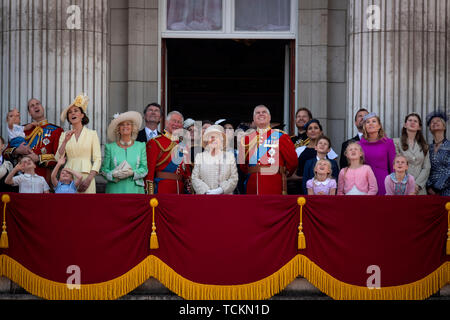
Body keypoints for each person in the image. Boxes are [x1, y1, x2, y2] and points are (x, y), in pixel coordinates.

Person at [239, 105, 298, 195]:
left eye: (264, 112)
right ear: (254, 119)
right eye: (257, 113)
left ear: (269, 117)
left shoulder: (281, 137)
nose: (261, 114)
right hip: (252, 184)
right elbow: (242, 166)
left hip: (274, 184)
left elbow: (292, 162)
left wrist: (283, 173)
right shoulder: (246, 139)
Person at [3, 98, 64, 184]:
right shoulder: (22, 129)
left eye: (37, 104)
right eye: (32, 106)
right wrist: (16, 150)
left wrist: (39, 158)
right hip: (21, 180)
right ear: (29, 113)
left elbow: (59, 157)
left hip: (44, 180)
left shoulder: (56, 130)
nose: (35, 106)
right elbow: (5, 152)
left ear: (42, 108)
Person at [56, 93, 102, 194]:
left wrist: (89, 179)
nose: (73, 114)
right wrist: (65, 141)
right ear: (68, 118)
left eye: (76, 111)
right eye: (70, 112)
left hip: (87, 175)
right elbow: (58, 158)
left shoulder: (92, 134)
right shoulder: (64, 135)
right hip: (68, 177)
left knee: (87, 207)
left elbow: (97, 159)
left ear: (82, 115)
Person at [101, 111, 148, 194]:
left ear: (133, 127)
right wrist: (113, 174)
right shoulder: (110, 147)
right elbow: (104, 170)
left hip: (135, 190)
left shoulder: (140, 146)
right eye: (122, 124)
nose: (125, 126)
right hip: (115, 190)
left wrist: (133, 173)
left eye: (128, 124)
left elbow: (144, 169)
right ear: (118, 129)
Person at [145, 111, 191, 194]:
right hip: (162, 188)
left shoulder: (183, 144)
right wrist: (149, 191)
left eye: (179, 122)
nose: (176, 124)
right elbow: (150, 169)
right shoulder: (155, 142)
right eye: (174, 121)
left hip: (180, 190)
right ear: (166, 122)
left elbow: (186, 171)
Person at [191, 125, 238, 195]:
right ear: (207, 141)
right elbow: (195, 178)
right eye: (211, 137)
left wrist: (221, 190)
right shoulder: (199, 157)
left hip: (225, 198)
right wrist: (206, 191)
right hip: (204, 198)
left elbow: (234, 178)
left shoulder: (230, 156)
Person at [359, 113, 396, 195]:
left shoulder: (388, 142)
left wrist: (394, 185)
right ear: (365, 126)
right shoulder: (359, 145)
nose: (371, 123)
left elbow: (393, 166)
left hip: (383, 182)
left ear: (379, 126)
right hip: (364, 183)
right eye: (368, 122)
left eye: (374, 121)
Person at [393, 113, 430, 195]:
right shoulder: (396, 142)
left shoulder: (424, 145)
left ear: (419, 127)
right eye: (410, 120)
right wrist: (409, 185)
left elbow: (426, 167)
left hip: (420, 189)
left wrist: (417, 185)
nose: (412, 122)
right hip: (402, 186)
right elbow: (398, 165)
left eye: (415, 121)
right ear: (405, 125)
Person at [295, 119, 338, 189]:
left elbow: (334, 172)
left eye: (316, 128)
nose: (313, 130)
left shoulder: (327, 149)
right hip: (304, 187)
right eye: (310, 128)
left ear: (321, 132)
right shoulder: (299, 150)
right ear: (306, 133)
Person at [425, 110, 449, 196]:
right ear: (430, 128)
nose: (435, 123)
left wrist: (437, 187)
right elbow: (425, 168)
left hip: (447, 190)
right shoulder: (428, 148)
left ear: (444, 126)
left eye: (438, 121)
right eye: (432, 122)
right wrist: (429, 187)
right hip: (430, 191)